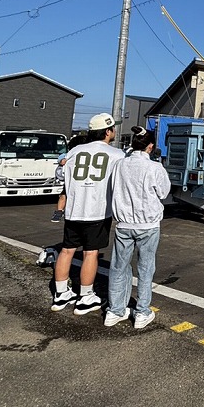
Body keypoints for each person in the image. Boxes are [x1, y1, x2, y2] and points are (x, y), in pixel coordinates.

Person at [50, 113, 124, 315]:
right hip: (97, 211)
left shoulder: (75, 151)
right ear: (107, 131)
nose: (114, 131)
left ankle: (60, 293)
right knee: (90, 253)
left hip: (73, 210)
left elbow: (60, 174)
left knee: (67, 250)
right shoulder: (116, 154)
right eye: (113, 128)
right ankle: (85, 296)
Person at [105, 127, 172, 331]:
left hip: (123, 223)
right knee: (145, 267)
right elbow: (164, 192)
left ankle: (115, 310)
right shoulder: (154, 167)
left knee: (118, 266)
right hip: (148, 224)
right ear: (150, 146)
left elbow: (112, 189)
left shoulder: (119, 165)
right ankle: (142, 311)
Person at [50, 130, 88, 223]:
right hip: (70, 180)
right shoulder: (69, 154)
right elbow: (62, 158)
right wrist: (62, 160)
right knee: (63, 195)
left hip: (78, 180)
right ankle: (59, 211)